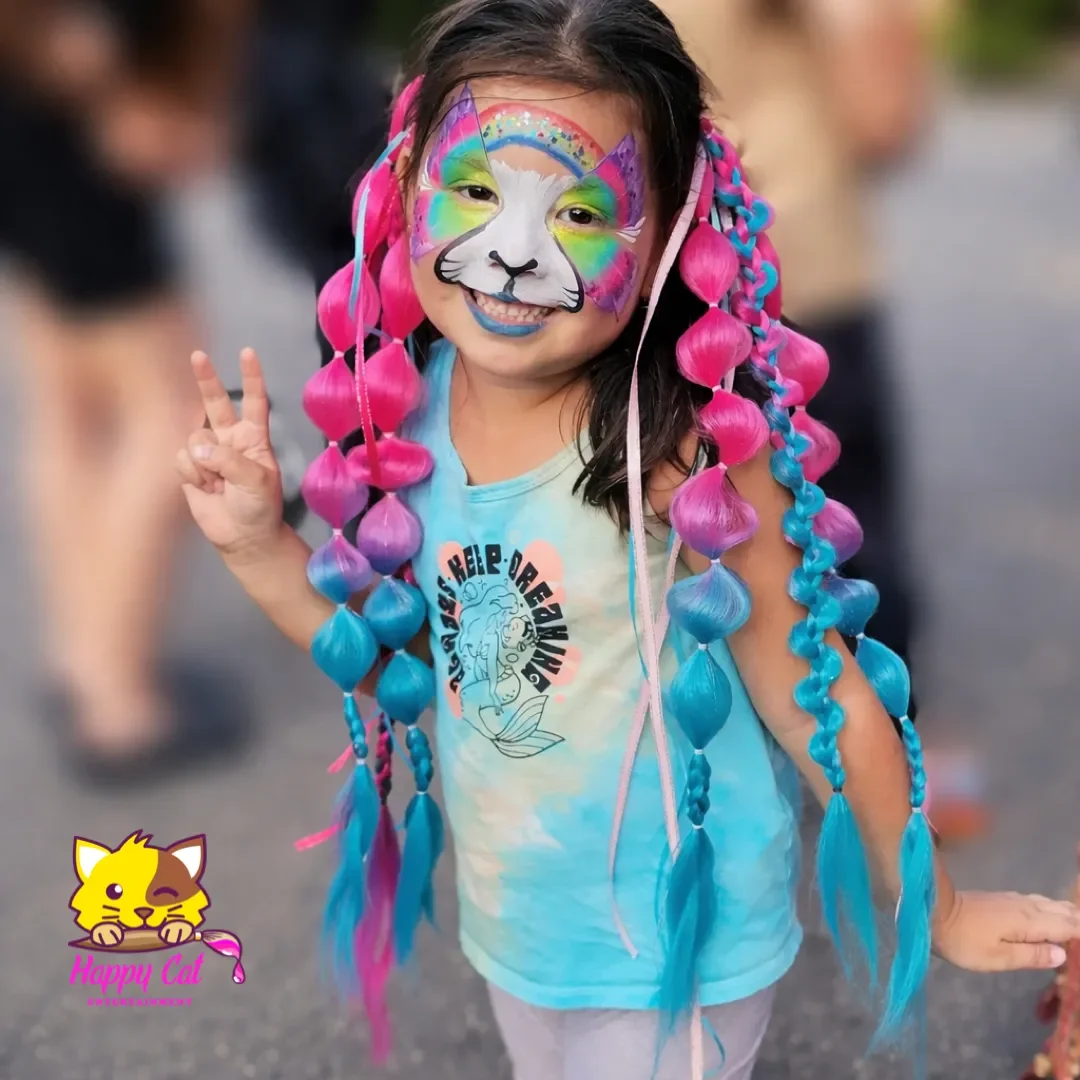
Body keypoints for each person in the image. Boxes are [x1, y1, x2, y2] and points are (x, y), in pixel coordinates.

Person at [175, 1, 1080, 1076]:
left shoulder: (679, 455)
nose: (511, 256)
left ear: (669, 233)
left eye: (579, 214)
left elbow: (816, 686)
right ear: (402, 181)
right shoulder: (407, 419)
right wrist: (256, 550)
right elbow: (418, 665)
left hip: (677, 948)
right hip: (523, 930)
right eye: (474, 191)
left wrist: (937, 901)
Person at [654, 0, 989, 843]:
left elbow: (885, 118)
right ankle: (862, 753)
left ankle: (879, 755)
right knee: (777, 532)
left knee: (827, 532)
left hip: (773, 284)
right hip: (726, 281)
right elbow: (886, 119)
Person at [0, 0, 253, 781]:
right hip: (71, 91)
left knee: (66, 403)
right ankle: (118, 705)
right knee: (169, 413)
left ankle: (83, 658)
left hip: (28, 95)